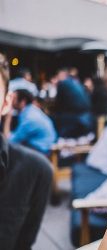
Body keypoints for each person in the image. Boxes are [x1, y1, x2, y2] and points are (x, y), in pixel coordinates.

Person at [0, 53, 53, 249]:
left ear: (8, 103)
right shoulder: (31, 113)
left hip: (41, 150)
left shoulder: (35, 171)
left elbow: (13, 139)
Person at [3, 89, 57, 155]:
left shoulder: (29, 119)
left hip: (41, 150)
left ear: (23, 101)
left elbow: (10, 142)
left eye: (13, 99)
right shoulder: (32, 111)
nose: (10, 102)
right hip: (45, 146)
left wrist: (8, 118)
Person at [52, 68, 94, 138]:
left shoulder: (63, 83)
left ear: (62, 75)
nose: (57, 78)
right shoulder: (76, 82)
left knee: (54, 118)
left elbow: (58, 104)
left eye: (58, 76)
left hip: (76, 118)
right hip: (87, 116)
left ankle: (58, 140)